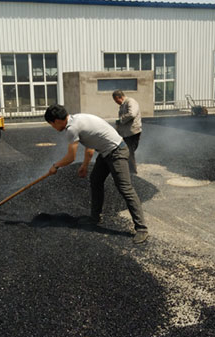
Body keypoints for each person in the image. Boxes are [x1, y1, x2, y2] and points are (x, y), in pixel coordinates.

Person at [44, 104, 148, 244]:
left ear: (56, 121)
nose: (53, 128)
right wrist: (85, 165)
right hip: (107, 152)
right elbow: (90, 144)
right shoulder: (78, 118)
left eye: (52, 124)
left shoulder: (72, 128)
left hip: (116, 151)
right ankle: (95, 217)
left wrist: (55, 166)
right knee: (96, 180)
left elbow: (71, 157)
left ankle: (142, 228)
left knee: (125, 188)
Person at [112, 90, 142, 174]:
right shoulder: (123, 105)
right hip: (126, 133)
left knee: (129, 151)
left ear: (119, 97)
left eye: (116, 100)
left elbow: (132, 114)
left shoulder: (130, 102)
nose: (116, 102)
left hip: (132, 132)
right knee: (127, 151)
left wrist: (121, 119)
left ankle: (132, 172)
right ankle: (129, 169)